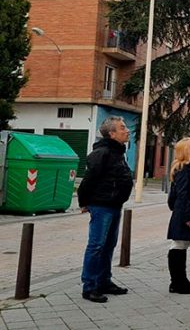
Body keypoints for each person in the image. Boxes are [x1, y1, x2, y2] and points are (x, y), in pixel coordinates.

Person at [78, 116, 134, 303]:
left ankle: (104, 281)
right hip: (102, 205)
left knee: (109, 245)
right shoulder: (102, 153)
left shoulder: (117, 152)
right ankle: (90, 286)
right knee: (96, 245)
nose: (127, 130)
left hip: (114, 205)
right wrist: (84, 201)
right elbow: (89, 179)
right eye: (122, 128)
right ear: (112, 134)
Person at [167, 137, 190, 294]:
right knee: (179, 245)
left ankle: (179, 280)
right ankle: (178, 281)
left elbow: (173, 196)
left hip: (181, 211)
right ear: (187, 150)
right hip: (185, 213)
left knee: (181, 245)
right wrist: (187, 216)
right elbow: (183, 193)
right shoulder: (185, 168)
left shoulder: (181, 167)